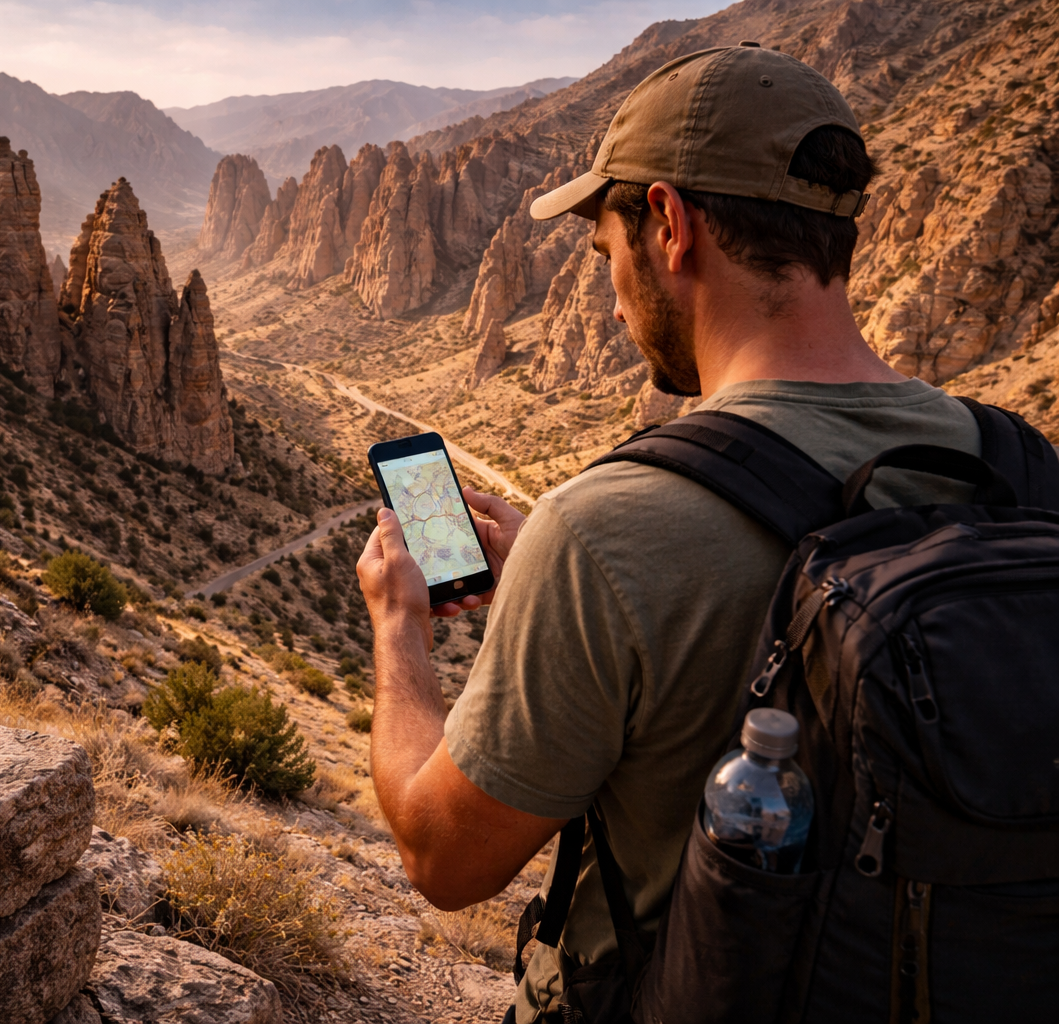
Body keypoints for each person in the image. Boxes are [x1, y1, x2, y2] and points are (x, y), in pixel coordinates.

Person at [356, 43, 985, 1022]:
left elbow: (441, 855)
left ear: (670, 224)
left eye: (607, 255)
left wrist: (399, 624)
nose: (609, 296)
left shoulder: (605, 533)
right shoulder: (1018, 467)